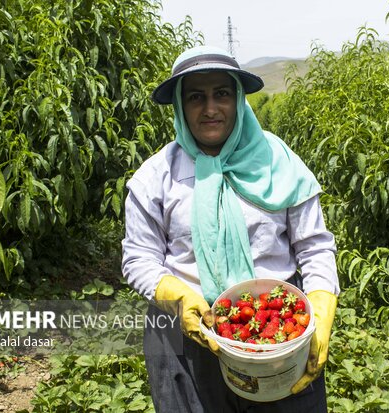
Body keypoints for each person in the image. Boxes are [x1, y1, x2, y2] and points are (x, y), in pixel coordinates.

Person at [121, 45, 340, 413]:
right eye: (195, 97)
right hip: (187, 339)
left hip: (280, 335)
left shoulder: (279, 164)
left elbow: (315, 247)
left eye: (221, 93)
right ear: (179, 105)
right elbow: (139, 258)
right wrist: (177, 296)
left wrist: (320, 307)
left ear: (238, 99)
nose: (210, 108)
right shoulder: (155, 178)